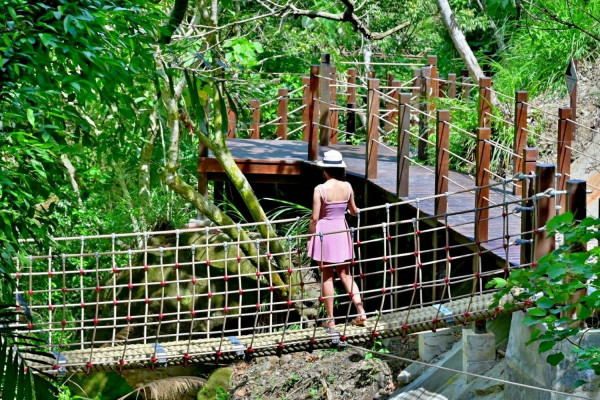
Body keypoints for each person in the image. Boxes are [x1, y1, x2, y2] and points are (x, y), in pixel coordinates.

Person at [307, 150, 367, 328]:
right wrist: (349, 211)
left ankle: (331, 319)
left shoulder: (320, 189)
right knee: (346, 275)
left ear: (325, 170)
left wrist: (310, 237)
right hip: (341, 230)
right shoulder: (347, 186)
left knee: (327, 276)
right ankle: (361, 311)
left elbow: (315, 218)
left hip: (326, 233)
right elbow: (354, 210)